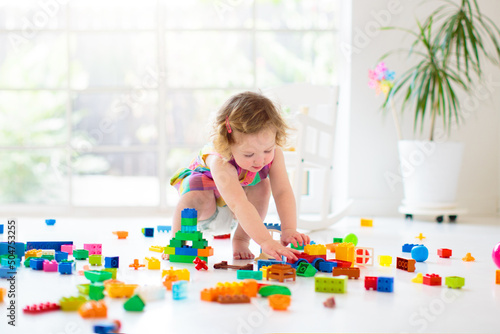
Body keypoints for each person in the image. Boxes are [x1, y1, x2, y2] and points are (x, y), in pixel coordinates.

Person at [170, 91, 310, 261]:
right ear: (228, 144)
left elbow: (282, 191)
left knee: (262, 185)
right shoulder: (219, 160)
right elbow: (238, 203)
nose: (260, 160)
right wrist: (266, 240)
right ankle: (176, 242)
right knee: (196, 196)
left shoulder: (274, 153)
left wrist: (289, 229)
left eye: (267, 150)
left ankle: (241, 239)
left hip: (239, 212)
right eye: (249, 154)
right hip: (208, 210)